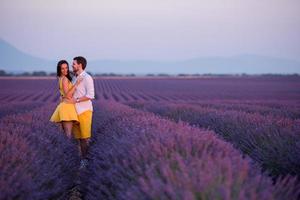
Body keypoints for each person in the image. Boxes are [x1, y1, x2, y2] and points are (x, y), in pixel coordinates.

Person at [64, 56, 95, 168]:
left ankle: (87, 161)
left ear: (80, 65)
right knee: (78, 138)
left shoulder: (87, 78)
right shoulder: (74, 78)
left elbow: (91, 95)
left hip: (85, 111)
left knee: (85, 138)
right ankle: (81, 160)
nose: (72, 66)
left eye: (74, 64)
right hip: (74, 112)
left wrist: (76, 100)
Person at [50, 60, 83, 138]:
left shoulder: (62, 78)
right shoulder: (64, 79)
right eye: (62, 69)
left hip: (65, 106)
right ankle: (66, 150)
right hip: (67, 108)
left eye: (66, 68)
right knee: (68, 135)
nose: (65, 70)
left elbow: (64, 94)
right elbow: (68, 95)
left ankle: (64, 149)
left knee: (65, 135)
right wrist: (77, 84)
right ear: (59, 70)